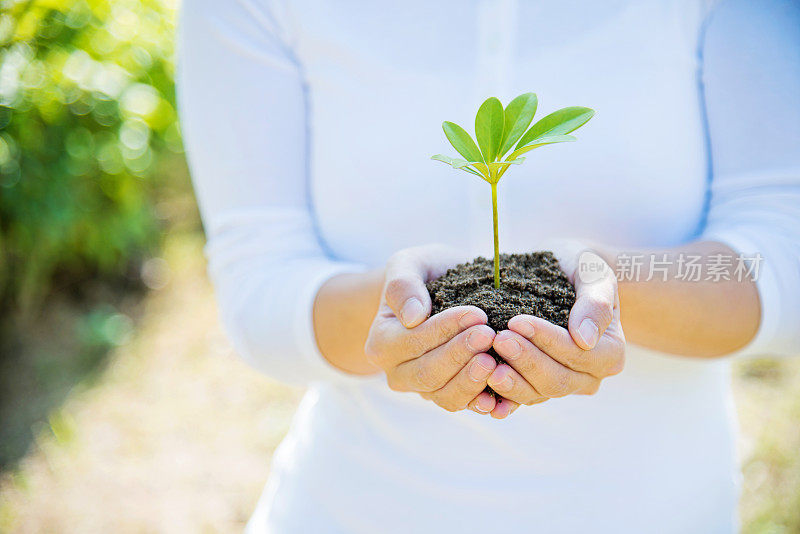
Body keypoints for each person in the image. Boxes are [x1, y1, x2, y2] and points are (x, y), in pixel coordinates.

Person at [176, 0, 800, 531]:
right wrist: (400, 310)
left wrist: (611, 285)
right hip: (354, 508)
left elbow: (784, 254)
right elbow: (259, 285)